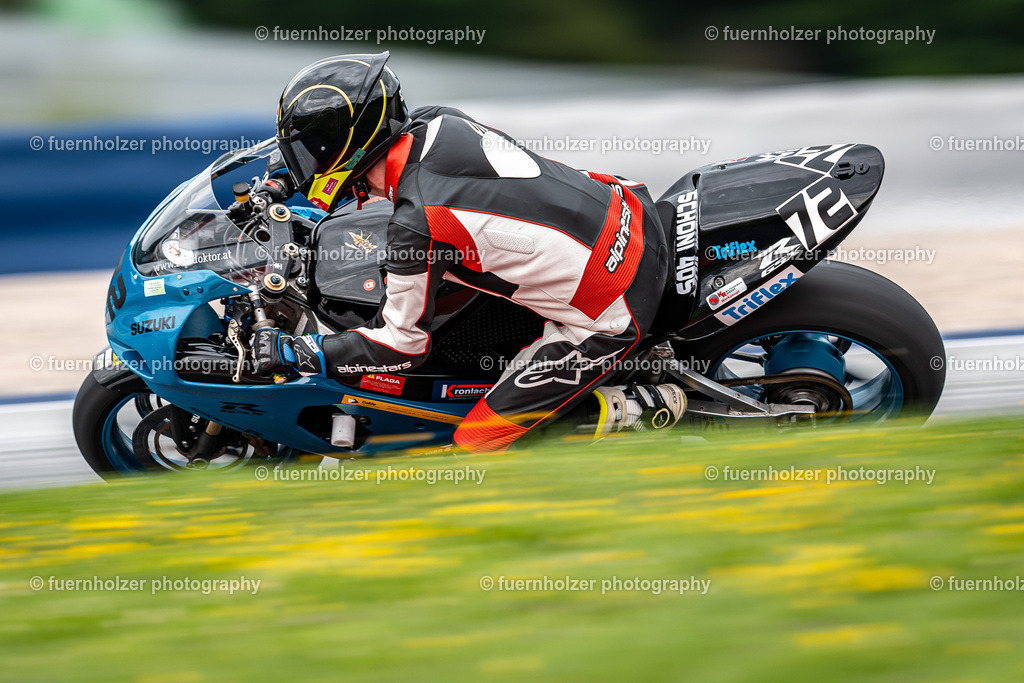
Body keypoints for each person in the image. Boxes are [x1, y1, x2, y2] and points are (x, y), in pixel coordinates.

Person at [252, 52, 687, 452]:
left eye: (310, 151)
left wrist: (302, 352)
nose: (304, 161)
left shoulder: (416, 223)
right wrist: (283, 180)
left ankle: (643, 405)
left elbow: (402, 346)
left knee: (478, 439)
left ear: (342, 146)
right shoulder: (440, 121)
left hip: (613, 304)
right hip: (627, 208)